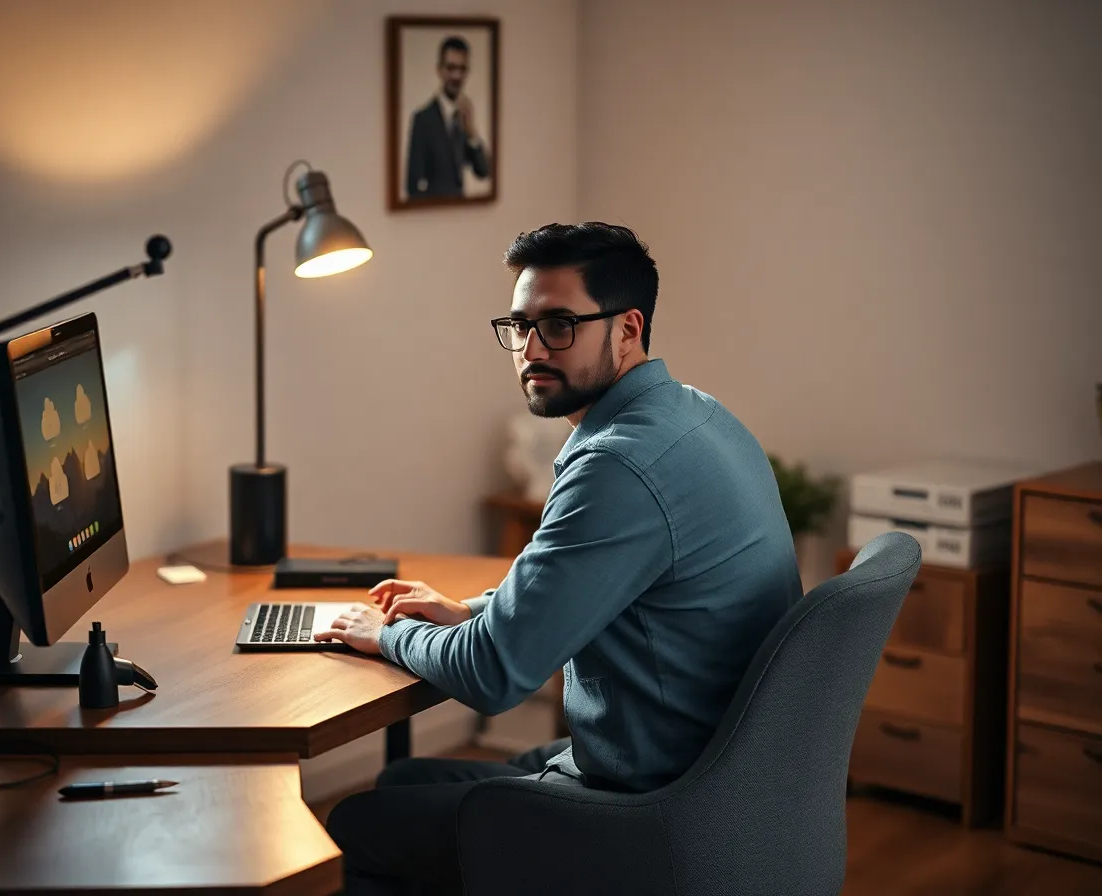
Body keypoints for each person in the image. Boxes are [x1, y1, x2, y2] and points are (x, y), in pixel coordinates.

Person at [318, 222, 802, 894]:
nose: (530, 349)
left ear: (628, 329)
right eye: (518, 326)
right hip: (715, 782)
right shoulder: (699, 416)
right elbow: (593, 589)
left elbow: (493, 675)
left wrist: (387, 634)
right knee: (408, 781)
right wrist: (471, 611)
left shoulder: (617, 464)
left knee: (355, 827)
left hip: (650, 808)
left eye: (560, 326)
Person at [405, 35, 490, 200]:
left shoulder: (464, 117)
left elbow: (483, 171)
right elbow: (412, 185)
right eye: (451, 68)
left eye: (462, 69)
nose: (457, 76)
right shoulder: (423, 119)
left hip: (462, 214)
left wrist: (472, 132)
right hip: (432, 214)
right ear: (440, 70)